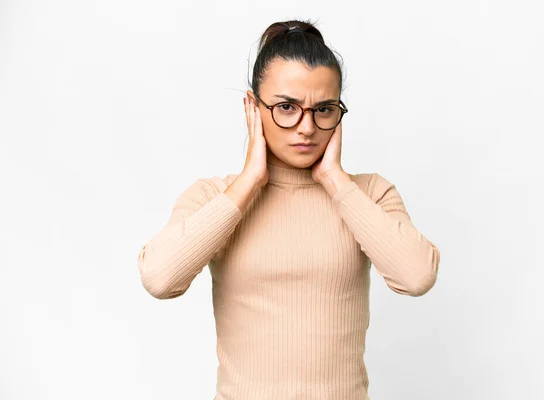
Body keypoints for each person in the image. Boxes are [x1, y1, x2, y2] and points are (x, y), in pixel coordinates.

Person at [137, 19, 441, 400]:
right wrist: (249, 181)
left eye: (324, 109)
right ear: (253, 107)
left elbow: (416, 277)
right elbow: (159, 279)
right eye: (286, 107)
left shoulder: (369, 193)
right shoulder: (216, 196)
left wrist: (334, 181)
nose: (306, 127)